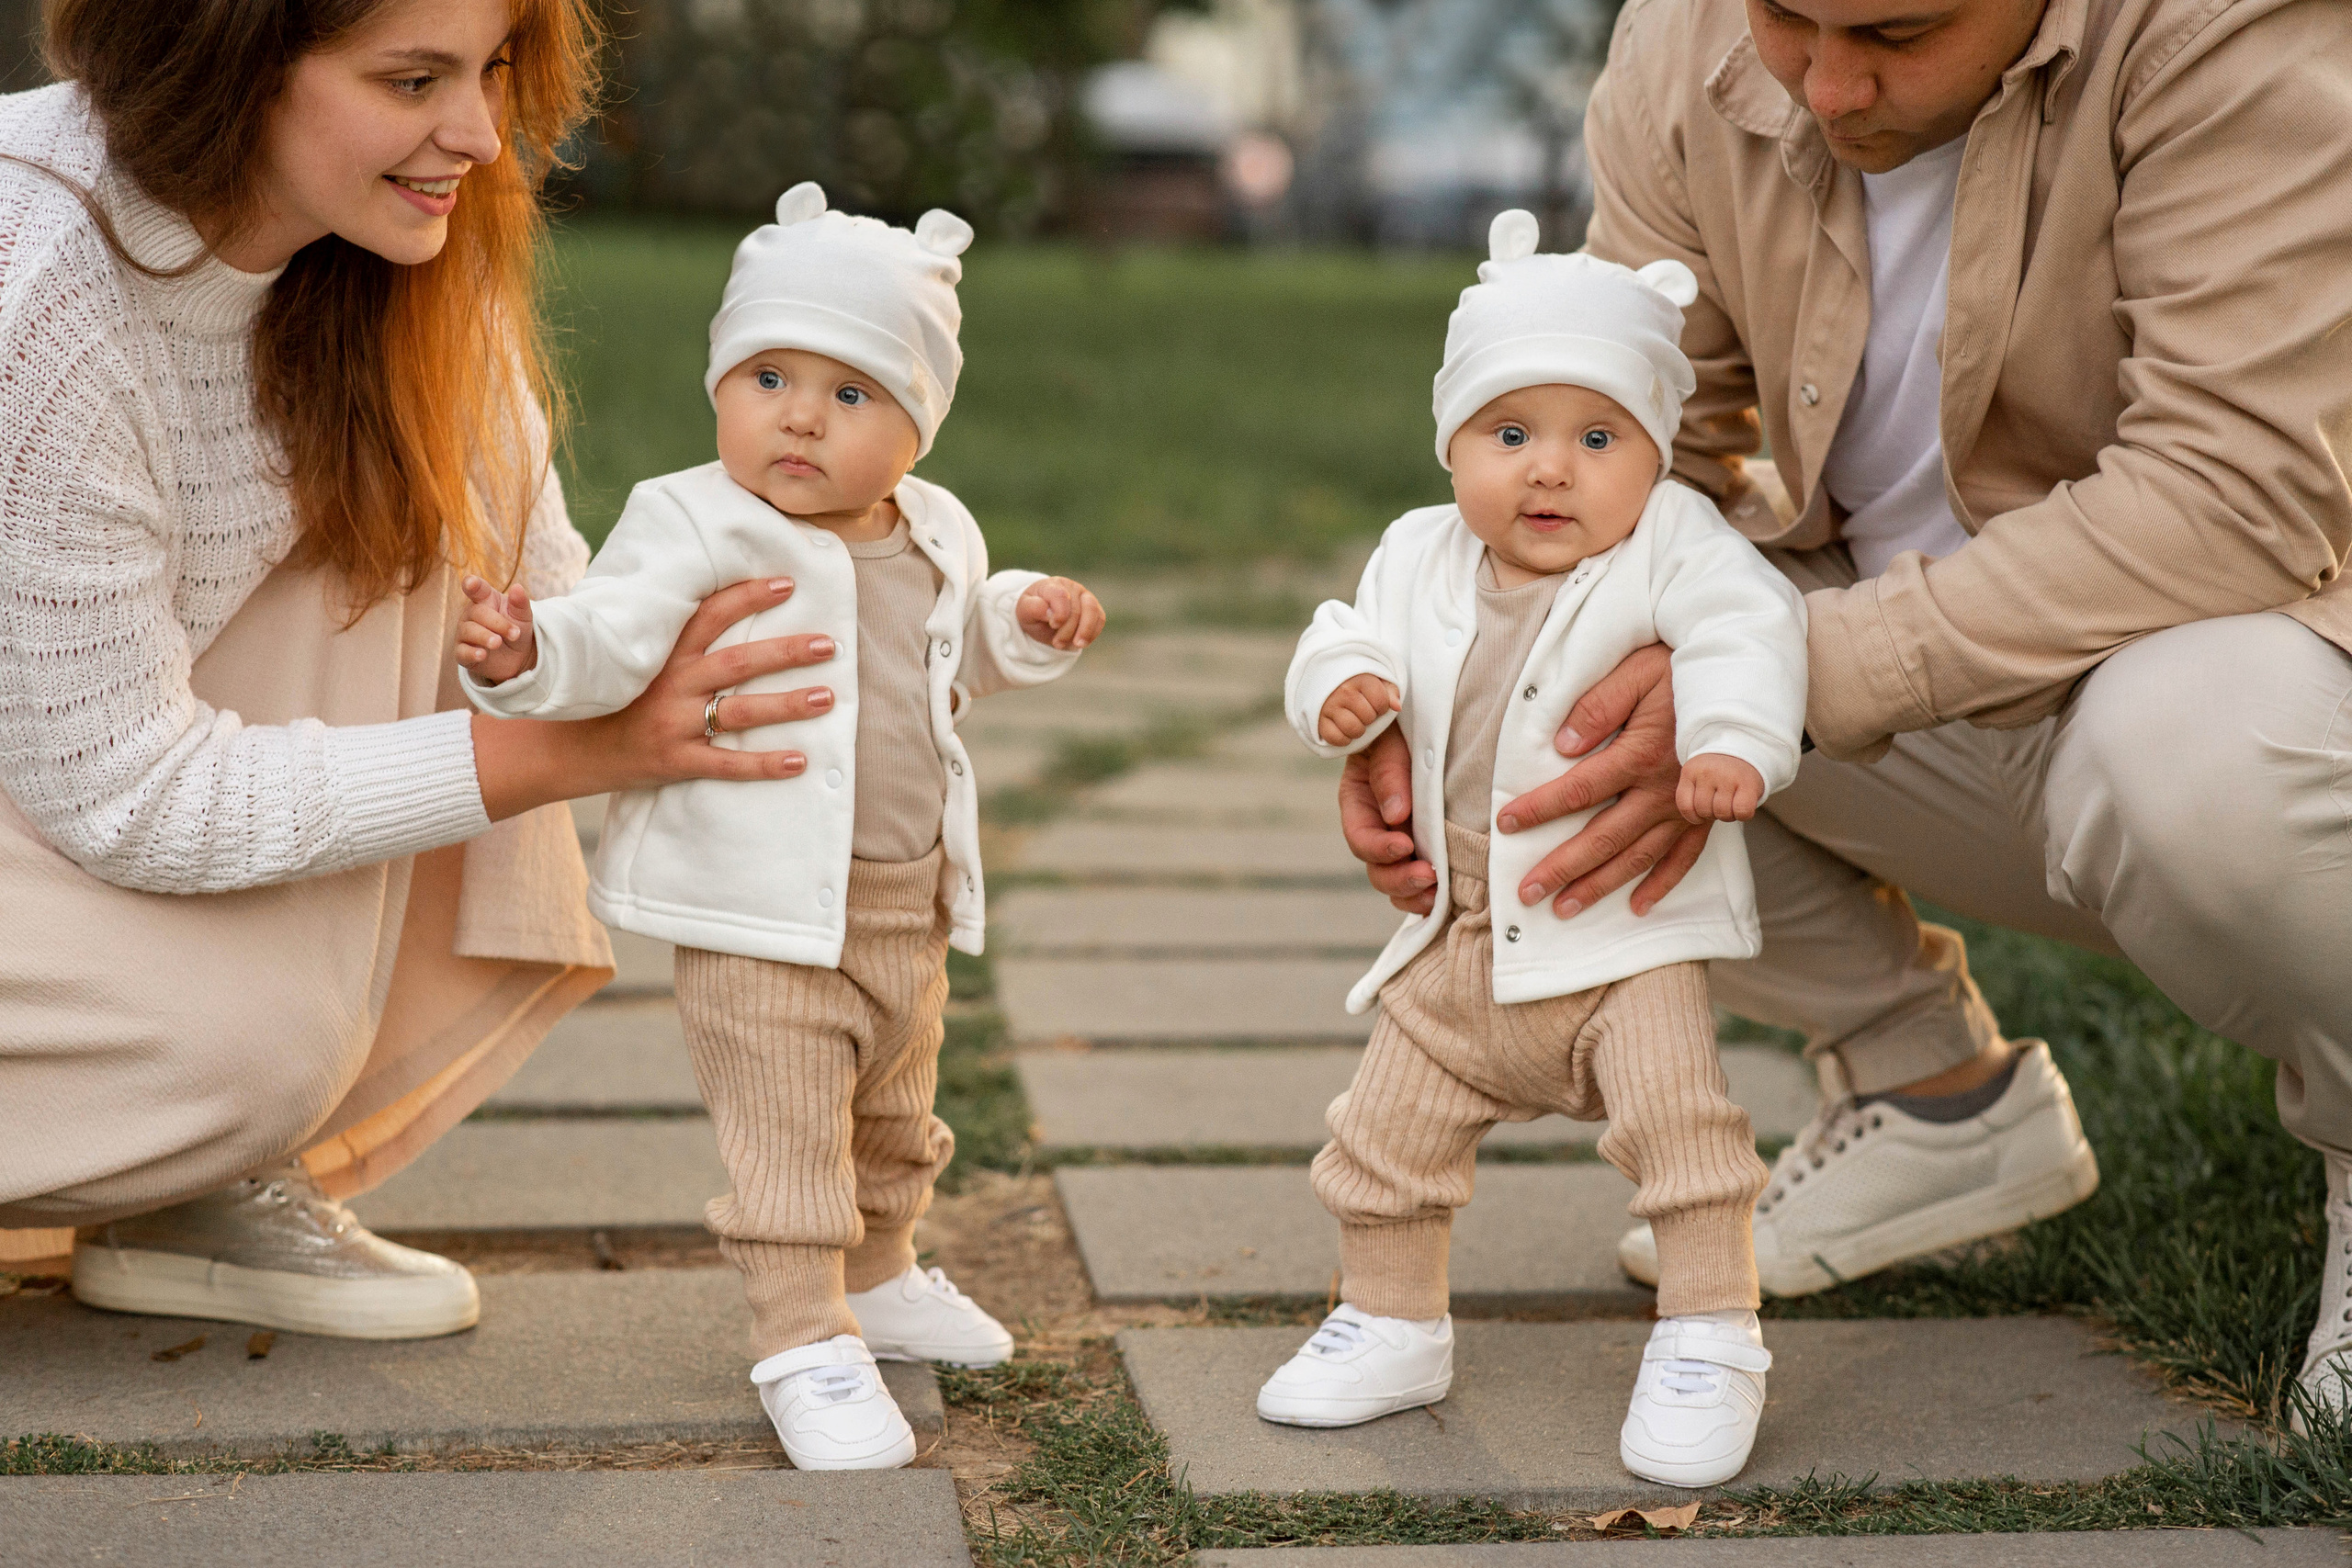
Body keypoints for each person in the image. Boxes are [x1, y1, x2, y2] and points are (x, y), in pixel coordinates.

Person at [1337, 0, 2352, 1417]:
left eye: (1891, 31)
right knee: (1541, 660)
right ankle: (1931, 1096)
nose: (1824, 85)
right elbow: (1641, 455)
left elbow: (2236, 499)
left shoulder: (2232, 29)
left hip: (2257, 700)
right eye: (1786, 21)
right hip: (1930, 699)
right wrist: (1445, 688)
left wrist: (1777, 676)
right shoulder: (1685, 40)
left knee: (2188, 746)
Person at [0, 0, 837, 1340]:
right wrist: (568, 756)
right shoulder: (36, 291)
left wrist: (763, 724)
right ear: (230, 65)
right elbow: (124, 793)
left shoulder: (390, 252)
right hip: (70, 787)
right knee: (242, 1057)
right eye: (412, 80)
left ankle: (194, 1193)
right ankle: (201, 1138)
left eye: (493, 68)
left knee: (451, 561)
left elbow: (554, 591)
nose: (477, 132)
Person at [458, 184, 1106, 1471]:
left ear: (918, 425)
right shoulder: (696, 518)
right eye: (768, 375)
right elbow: (614, 633)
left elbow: (951, 655)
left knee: (891, 1114)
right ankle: (801, 1332)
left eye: (852, 391)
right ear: (721, 385)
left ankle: (881, 1270)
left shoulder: (936, 529)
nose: (801, 415)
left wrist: (1022, 619)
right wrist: (532, 650)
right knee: (786, 1133)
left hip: (900, 900)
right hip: (758, 909)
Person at [1258, 217, 1807, 1488]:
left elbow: (1749, 629)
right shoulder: (1419, 552)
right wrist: (1341, 685)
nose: (1549, 472)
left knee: (1685, 1139)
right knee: (1383, 1139)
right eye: (1510, 435)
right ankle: (1392, 1318)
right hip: (1461, 935)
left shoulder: (1673, 544)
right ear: (1452, 446)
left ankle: (1710, 1333)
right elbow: (1342, 631)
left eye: (1596, 437)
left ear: (1654, 456)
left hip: (1628, 936)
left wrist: (1731, 742)